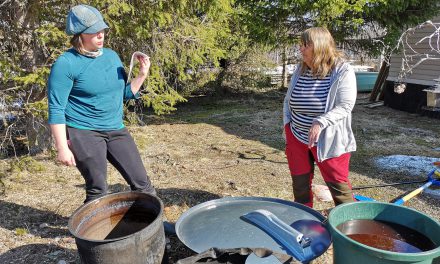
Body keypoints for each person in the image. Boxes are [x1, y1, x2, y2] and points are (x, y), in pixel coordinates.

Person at [47, 4, 156, 203]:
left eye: (102, 30)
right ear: (80, 34)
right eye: (94, 31)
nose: (101, 35)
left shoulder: (111, 57)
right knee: (98, 191)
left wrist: (141, 75)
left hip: (116, 129)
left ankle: (154, 229)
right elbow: (56, 108)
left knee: (143, 184)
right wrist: (62, 147)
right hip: (84, 132)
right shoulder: (66, 63)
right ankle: (92, 234)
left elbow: (121, 94)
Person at [283, 27, 357, 208]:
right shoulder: (301, 69)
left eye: (305, 45)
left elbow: (345, 105)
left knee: (338, 185)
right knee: (300, 184)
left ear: (319, 46)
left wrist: (320, 122)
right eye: (301, 45)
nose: (300, 49)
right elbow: (288, 100)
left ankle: (348, 222)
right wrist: (287, 125)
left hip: (328, 138)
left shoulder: (342, 70)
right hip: (296, 134)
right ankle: (304, 216)